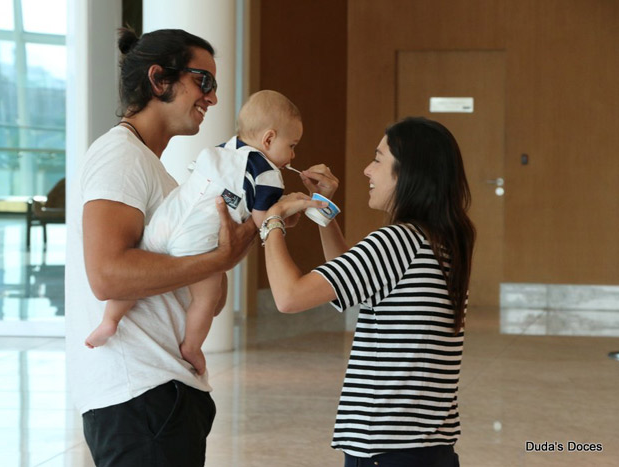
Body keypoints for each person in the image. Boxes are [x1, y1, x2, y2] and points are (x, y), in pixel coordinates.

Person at [65, 28, 256, 467]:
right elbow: (108, 275)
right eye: (202, 81)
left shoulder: (157, 174)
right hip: (141, 397)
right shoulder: (121, 158)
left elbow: (200, 285)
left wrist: (227, 252)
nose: (211, 98)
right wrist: (219, 258)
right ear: (159, 79)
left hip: (158, 397)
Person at [260, 117, 475, 467]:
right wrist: (323, 210)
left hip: (384, 448)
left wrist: (272, 221)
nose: (366, 170)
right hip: (429, 448)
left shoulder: (397, 241)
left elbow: (288, 297)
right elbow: (355, 281)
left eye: (378, 159)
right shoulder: (443, 241)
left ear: (408, 174)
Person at [85, 90, 304, 377]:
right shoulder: (268, 175)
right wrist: (288, 211)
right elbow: (264, 220)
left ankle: (110, 321)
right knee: (206, 299)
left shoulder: (223, 148)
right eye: (292, 145)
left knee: (139, 274)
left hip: (167, 219)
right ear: (268, 139)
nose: (293, 155)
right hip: (197, 239)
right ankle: (191, 346)